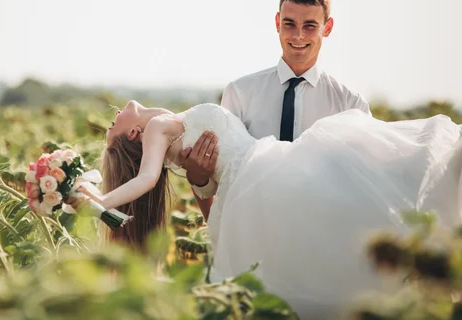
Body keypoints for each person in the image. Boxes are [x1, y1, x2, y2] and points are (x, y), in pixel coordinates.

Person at [67, 99, 462, 319]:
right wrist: (98, 200)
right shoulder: (157, 130)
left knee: (347, 198)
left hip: (267, 164)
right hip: (260, 176)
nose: (114, 115)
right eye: (113, 127)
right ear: (135, 134)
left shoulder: (169, 122)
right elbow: (145, 180)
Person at [179, 0, 371, 220]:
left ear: (327, 28)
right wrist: (197, 177)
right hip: (251, 229)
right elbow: (219, 184)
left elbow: (363, 184)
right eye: (289, 24)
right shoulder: (240, 92)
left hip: (322, 231)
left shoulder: (350, 105)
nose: (298, 35)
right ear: (277, 23)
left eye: (310, 26)